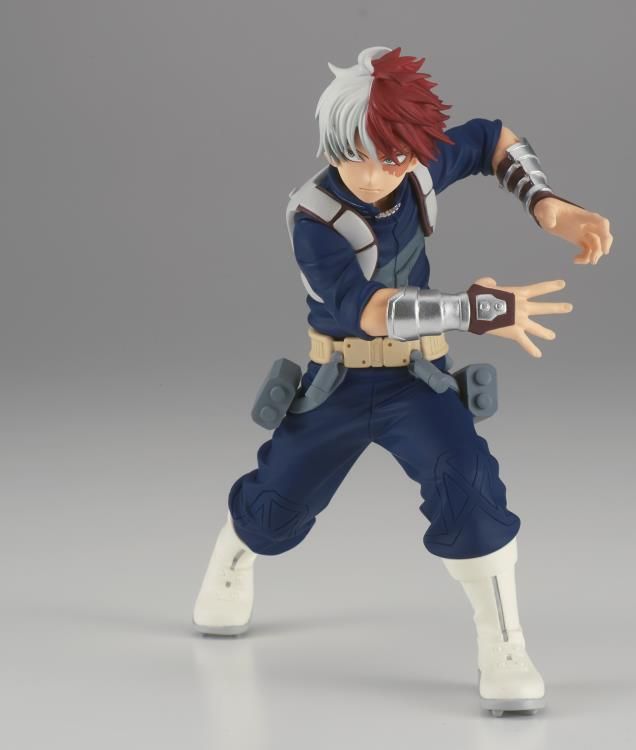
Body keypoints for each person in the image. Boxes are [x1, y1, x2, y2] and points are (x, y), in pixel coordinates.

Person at [192, 46, 613, 716]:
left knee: (469, 484)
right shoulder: (313, 218)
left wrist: (546, 203)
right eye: (355, 155)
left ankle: (503, 641)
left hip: (417, 381)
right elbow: (369, 310)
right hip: (335, 382)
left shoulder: (413, 168)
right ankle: (234, 559)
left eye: (391, 157)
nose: (373, 175)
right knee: (276, 506)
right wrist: (475, 311)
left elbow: (492, 139)